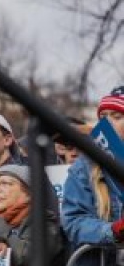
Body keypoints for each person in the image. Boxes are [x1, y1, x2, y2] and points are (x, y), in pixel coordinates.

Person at [62, 86, 124, 265]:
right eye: (103, 117)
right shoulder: (85, 166)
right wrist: (112, 231)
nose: (108, 122)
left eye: (117, 116)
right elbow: (73, 222)